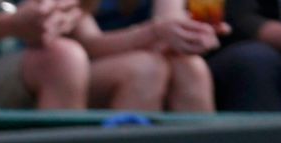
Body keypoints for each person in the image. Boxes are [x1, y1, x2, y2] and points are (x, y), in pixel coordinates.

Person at [70, 0, 225, 112]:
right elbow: (89, 44)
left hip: (149, 52)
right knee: (145, 69)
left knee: (191, 67)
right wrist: (152, 33)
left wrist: (192, 35)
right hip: (81, 68)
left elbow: (170, 20)